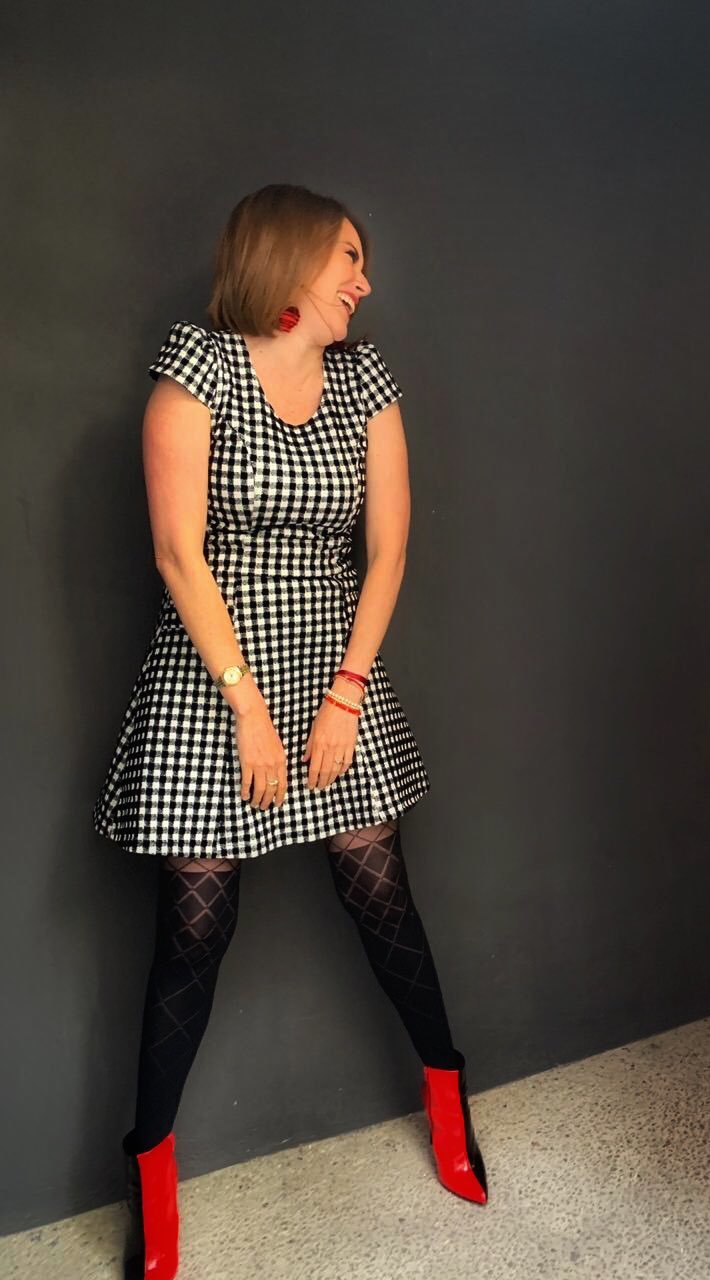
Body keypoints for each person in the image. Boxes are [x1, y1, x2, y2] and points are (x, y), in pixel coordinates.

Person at [94, 184, 488, 1280]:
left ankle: (450, 1101)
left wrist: (346, 692)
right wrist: (249, 707)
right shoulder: (198, 368)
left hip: (333, 670)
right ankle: (151, 1177)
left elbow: (388, 550)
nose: (364, 280)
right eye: (347, 257)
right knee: (194, 931)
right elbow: (177, 553)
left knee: (381, 895)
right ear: (288, 258)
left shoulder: (366, 379)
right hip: (212, 676)